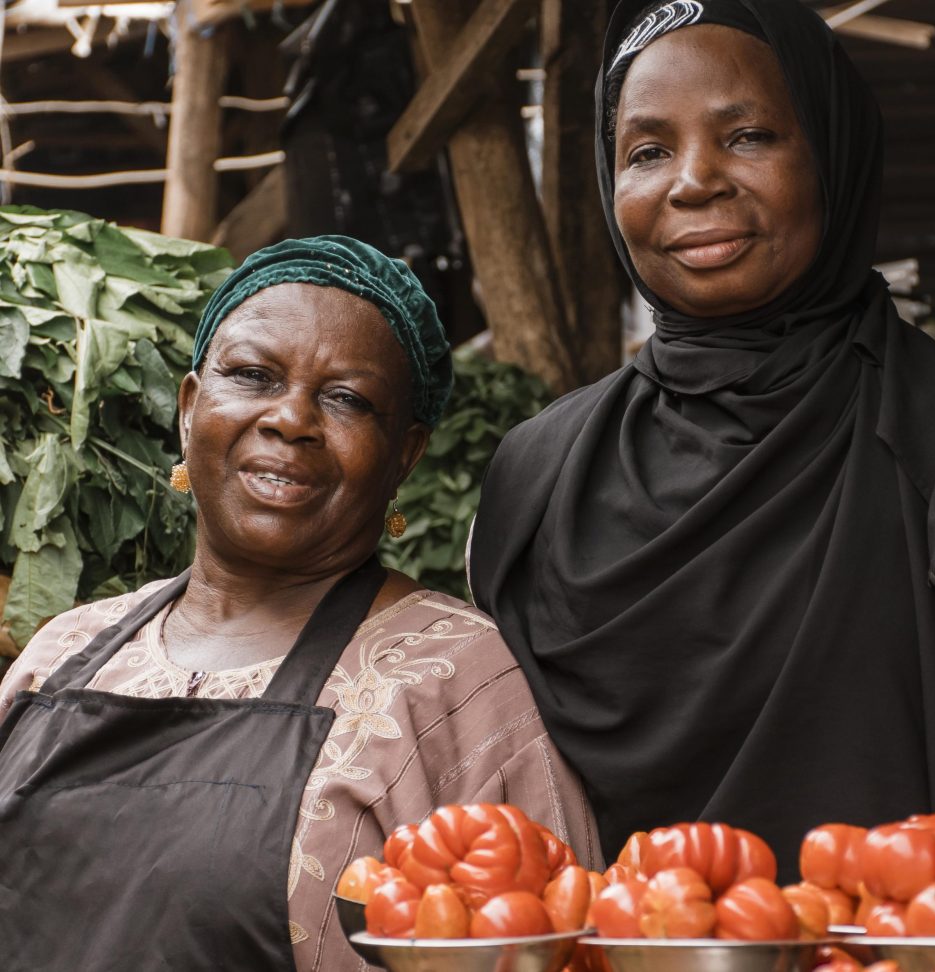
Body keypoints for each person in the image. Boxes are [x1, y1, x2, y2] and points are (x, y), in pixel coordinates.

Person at [469, 0, 935, 881]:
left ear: (832, 153)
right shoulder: (538, 477)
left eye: (747, 135)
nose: (693, 181)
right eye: (647, 151)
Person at [0, 236, 600, 972]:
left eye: (346, 399)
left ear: (404, 454)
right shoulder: (62, 654)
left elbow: (553, 945)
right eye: (252, 375)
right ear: (189, 410)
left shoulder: (454, 684)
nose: (291, 419)